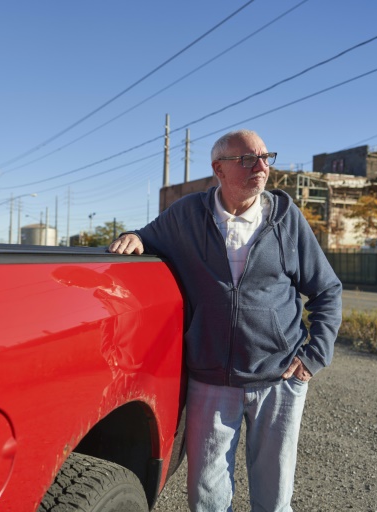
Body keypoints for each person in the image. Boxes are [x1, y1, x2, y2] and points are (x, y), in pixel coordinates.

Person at [108, 129, 342, 511]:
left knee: (274, 495)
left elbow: (327, 290)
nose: (262, 167)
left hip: (278, 379)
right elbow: (145, 237)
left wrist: (313, 358)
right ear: (219, 168)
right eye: (248, 159)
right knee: (207, 493)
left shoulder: (285, 218)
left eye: (266, 157)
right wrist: (130, 237)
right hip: (211, 379)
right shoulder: (187, 214)